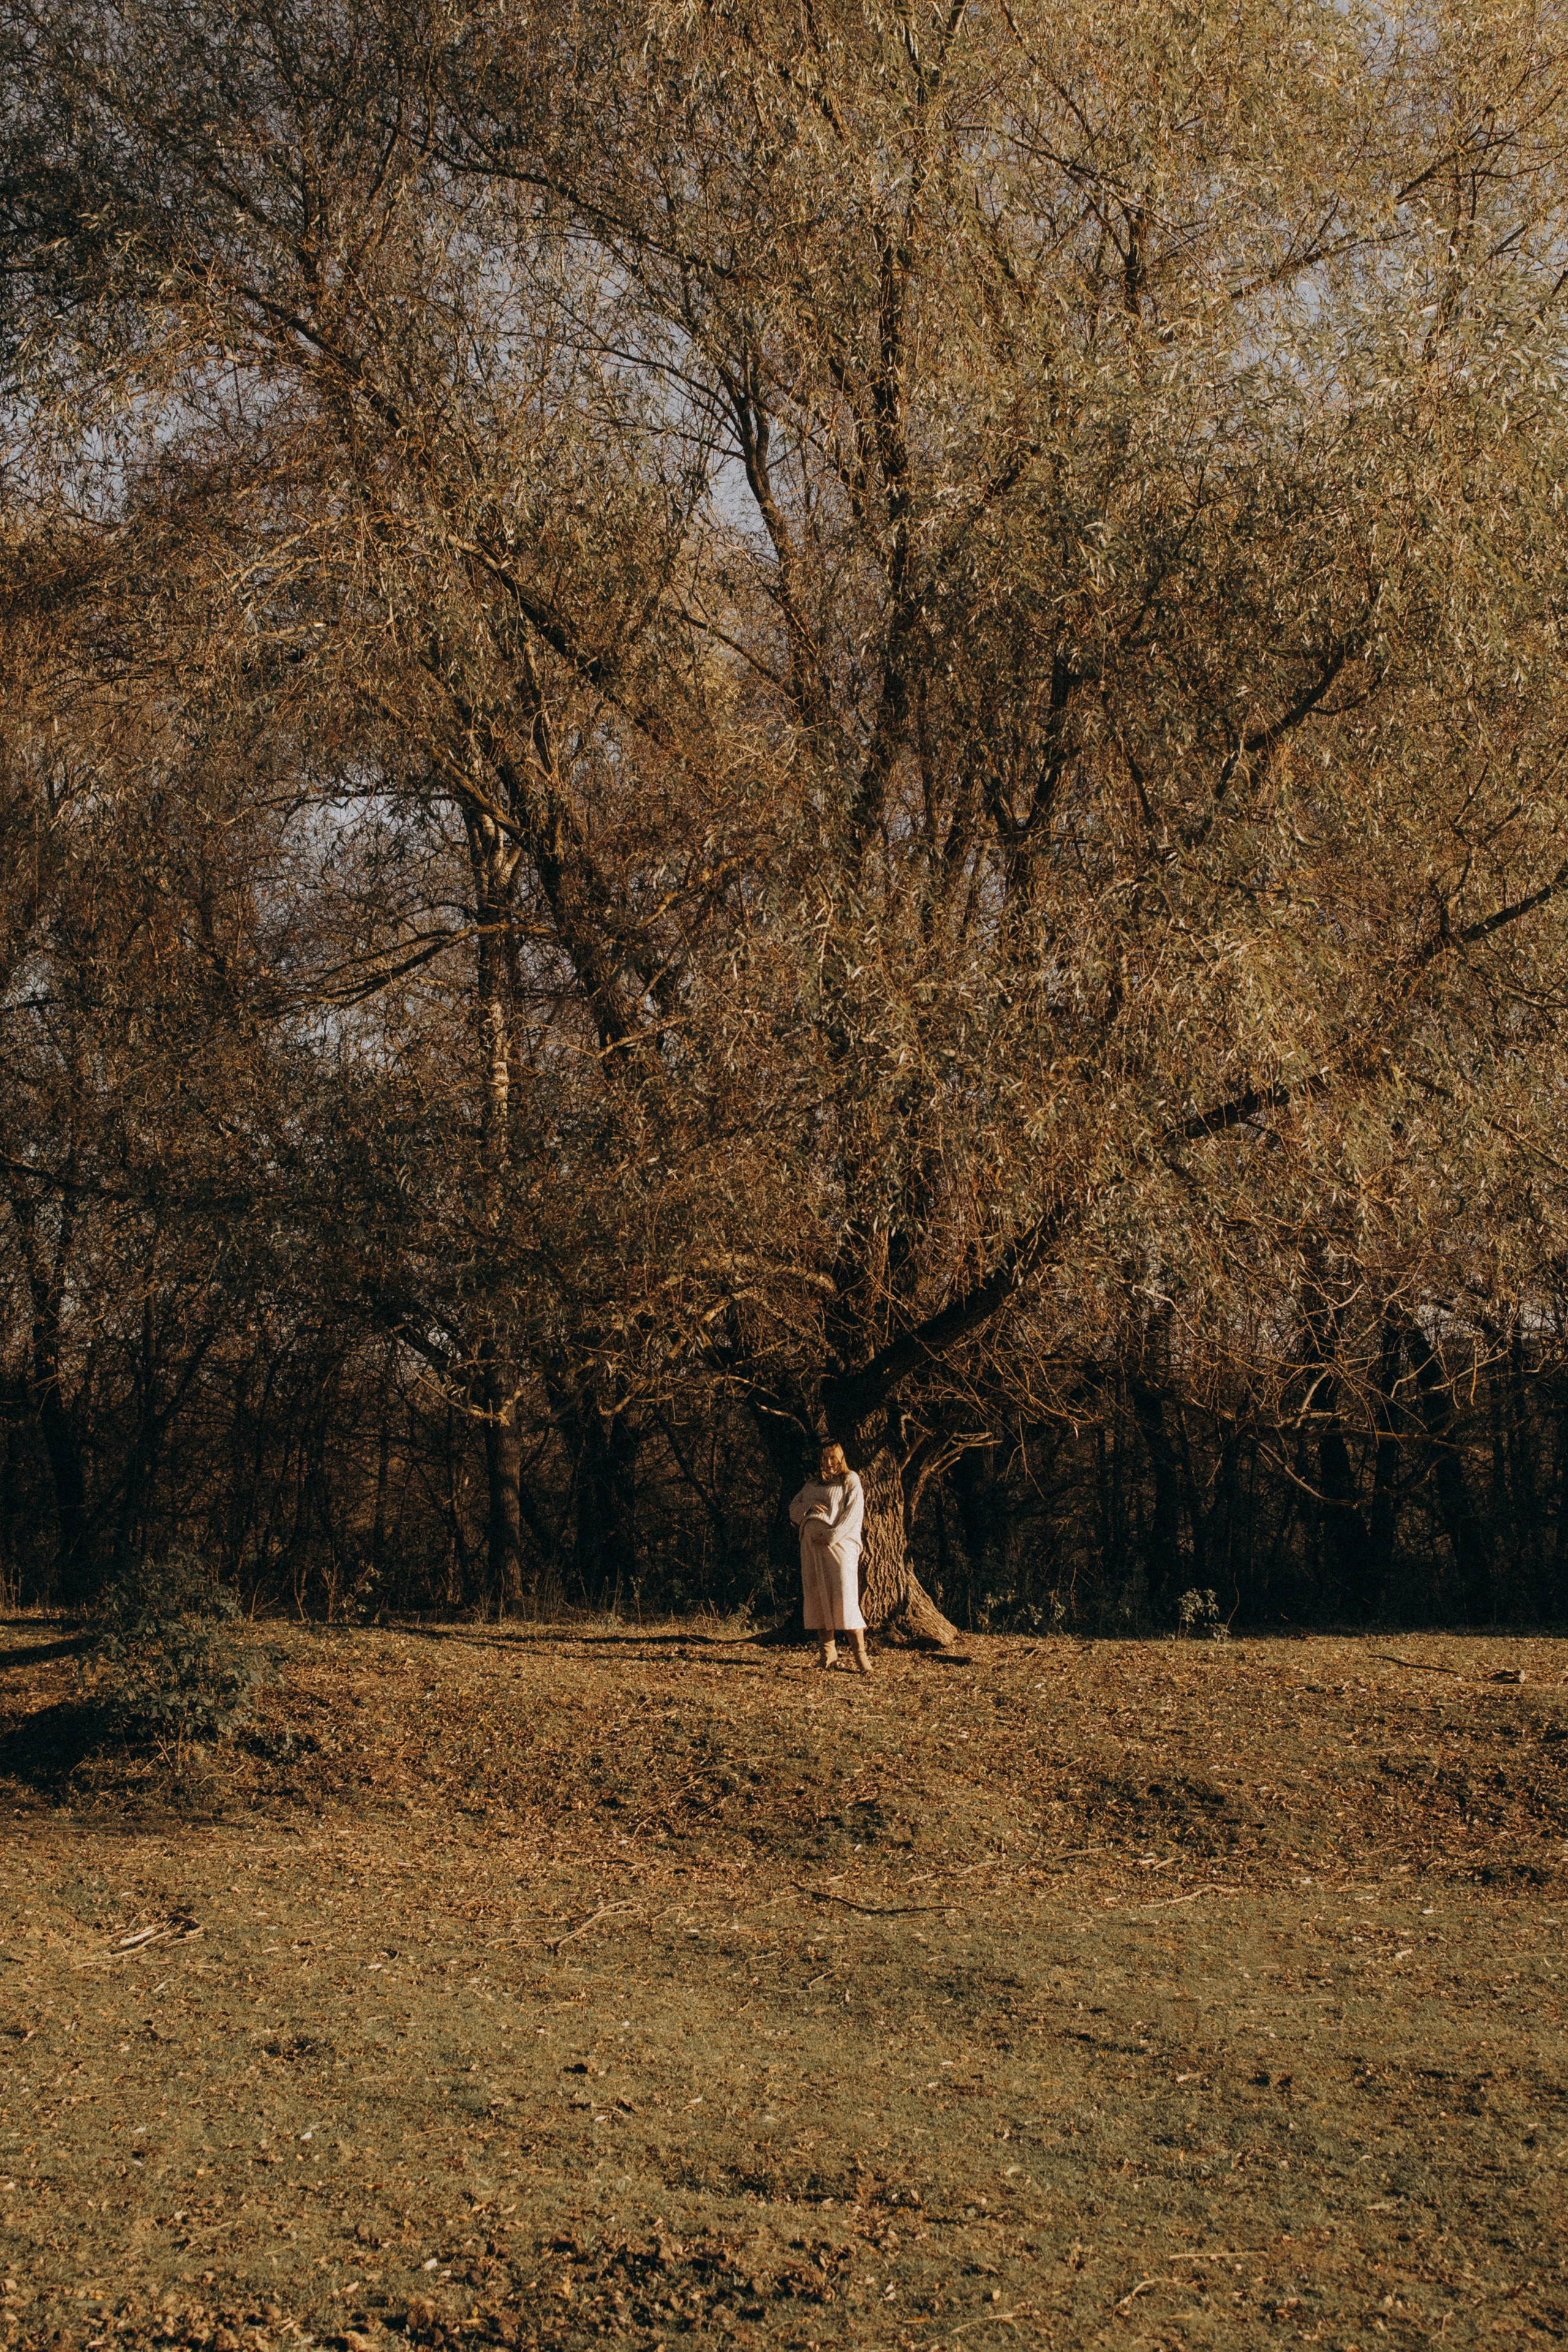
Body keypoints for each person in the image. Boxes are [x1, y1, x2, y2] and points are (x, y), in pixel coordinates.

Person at [789, 1442, 872, 1673]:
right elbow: (793, 1508)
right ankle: (828, 1654)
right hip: (811, 1547)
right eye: (824, 1458)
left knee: (845, 1598)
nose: (828, 1462)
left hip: (839, 1547)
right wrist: (808, 1508)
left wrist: (832, 1535)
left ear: (841, 1458)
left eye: (832, 1457)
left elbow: (854, 1512)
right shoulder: (813, 1482)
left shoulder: (850, 1480)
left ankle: (861, 1658)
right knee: (817, 1596)